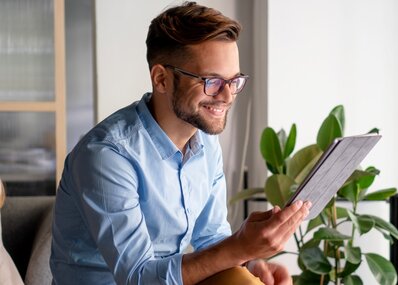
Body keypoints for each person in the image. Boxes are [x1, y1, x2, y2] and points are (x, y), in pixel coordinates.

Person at [50, 2, 311, 285]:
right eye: (211, 81)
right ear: (162, 79)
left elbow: (211, 238)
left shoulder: (206, 143)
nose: (227, 96)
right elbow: (138, 278)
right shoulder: (106, 155)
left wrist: (251, 263)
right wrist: (239, 248)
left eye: (233, 80)